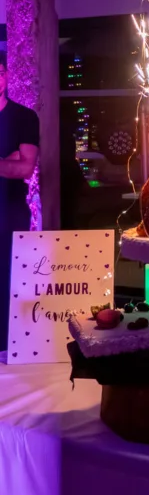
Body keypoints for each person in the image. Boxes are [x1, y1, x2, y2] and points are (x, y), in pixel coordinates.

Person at [0, 52, 40, 351]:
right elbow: (13, 164)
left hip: (9, 213)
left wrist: (14, 163)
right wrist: (6, 161)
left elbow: (25, 168)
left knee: (7, 281)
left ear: (5, 76)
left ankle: (6, 345)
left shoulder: (25, 117)